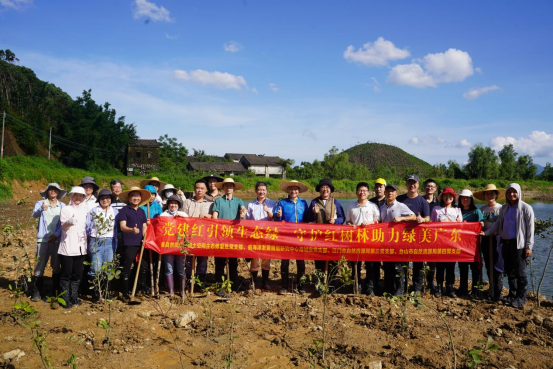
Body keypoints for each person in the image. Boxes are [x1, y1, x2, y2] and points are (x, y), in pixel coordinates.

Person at [481, 183, 534, 309]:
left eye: (514, 192)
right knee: (510, 271)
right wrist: (487, 233)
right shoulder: (504, 208)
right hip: (505, 243)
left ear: (519, 192)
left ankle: (521, 298)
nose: (511, 194)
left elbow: (531, 229)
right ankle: (512, 294)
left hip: (519, 244)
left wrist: (529, 246)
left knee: (520, 272)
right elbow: (498, 223)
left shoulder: (526, 208)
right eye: (509, 192)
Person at [306, 178, 345, 295]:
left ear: (330, 190)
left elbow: (342, 218)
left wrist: (336, 221)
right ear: (319, 189)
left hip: (332, 237)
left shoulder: (335, 202)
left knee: (333, 261)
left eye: (327, 187)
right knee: (319, 262)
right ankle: (319, 285)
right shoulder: (314, 202)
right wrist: (313, 212)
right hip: (319, 237)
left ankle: (331, 285)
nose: (325, 189)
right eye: (323, 187)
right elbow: (307, 218)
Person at [31, 183, 67, 302]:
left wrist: (56, 235)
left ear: (58, 193)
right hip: (43, 239)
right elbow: (34, 215)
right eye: (50, 190)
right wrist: (41, 208)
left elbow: (64, 223)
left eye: (55, 190)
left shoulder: (62, 206)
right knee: (39, 265)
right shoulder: (40, 203)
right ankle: (36, 292)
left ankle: (55, 291)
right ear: (47, 192)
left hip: (56, 240)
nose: (52, 191)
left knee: (56, 265)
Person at [212, 178, 247, 294]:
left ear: (233, 188)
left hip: (234, 236)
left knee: (233, 262)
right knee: (220, 262)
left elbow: (243, 209)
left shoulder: (238, 200)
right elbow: (215, 215)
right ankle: (219, 286)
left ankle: (233, 284)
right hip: (221, 235)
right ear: (223, 188)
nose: (228, 188)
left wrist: (243, 213)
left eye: (231, 186)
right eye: (226, 186)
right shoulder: (218, 201)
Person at [396, 174, 430, 295]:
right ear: (406, 184)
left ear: (418, 185)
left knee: (418, 264)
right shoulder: (399, 199)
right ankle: (401, 288)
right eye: (409, 182)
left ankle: (417, 289)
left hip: (417, 239)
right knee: (401, 264)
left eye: (414, 183)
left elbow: (428, 218)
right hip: (402, 238)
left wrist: (423, 220)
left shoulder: (423, 201)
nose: (412, 185)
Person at [274, 180, 310, 294]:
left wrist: (314, 213)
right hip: (286, 236)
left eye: (295, 189)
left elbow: (307, 218)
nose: (293, 191)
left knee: (301, 262)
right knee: (285, 261)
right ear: (287, 190)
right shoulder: (282, 203)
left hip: (300, 236)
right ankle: (284, 286)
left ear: (298, 191)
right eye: (291, 189)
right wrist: (278, 216)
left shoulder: (303, 203)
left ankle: (300, 286)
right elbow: (276, 219)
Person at [380, 184, 416, 296]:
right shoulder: (381, 207)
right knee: (387, 267)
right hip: (386, 242)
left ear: (396, 194)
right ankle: (388, 289)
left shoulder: (401, 206)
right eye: (388, 191)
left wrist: (401, 218)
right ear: (384, 193)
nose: (390, 193)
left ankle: (400, 291)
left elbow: (413, 216)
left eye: (392, 191)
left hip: (399, 242)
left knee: (399, 267)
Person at [345, 182, 380, 295]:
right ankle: (357, 285)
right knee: (356, 264)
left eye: (364, 190)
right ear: (356, 192)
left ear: (368, 193)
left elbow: (378, 221)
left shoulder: (373, 206)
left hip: (369, 240)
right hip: (355, 240)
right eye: (360, 190)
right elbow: (348, 221)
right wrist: (351, 224)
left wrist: (369, 223)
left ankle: (370, 288)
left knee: (370, 265)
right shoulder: (351, 206)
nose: (362, 193)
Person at [58, 186, 89, 309]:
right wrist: (70, 221)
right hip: (68, 245)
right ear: (71, 196)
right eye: (75, 195)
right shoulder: (66, 209)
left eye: (80, 195)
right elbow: (64, 227)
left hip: (81, 246)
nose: (77, 197)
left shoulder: (85, 211)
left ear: (83, 198)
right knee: (66, 273)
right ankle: (64, 298)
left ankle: (74, 297)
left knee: (77, 274)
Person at [117, 186, 150, 301]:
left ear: (140, 198)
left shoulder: (141, 211)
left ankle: (138, 289)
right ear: (129, 197)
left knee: (143, 266)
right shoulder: (124, 210)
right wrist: (131, 230)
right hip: (129, 243)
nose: (136, 198)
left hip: (141, 242)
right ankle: (125, 292)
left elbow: (144, 226)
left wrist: (144, 236)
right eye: (133, 196)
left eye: (138, 196)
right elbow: (122, 226)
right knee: (126, 267)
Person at [473, 184, 505, 301]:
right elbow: (478, 225)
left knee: (498, 265)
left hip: (497, 239)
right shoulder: (482, 209)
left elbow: (500, 225)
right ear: (484, 196)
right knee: (488, 264)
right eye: (487, 193)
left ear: (496, 195)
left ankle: (498, 292)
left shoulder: (501, 208)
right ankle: (492, 288)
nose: (490, 195)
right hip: (485, 239)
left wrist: (491, 233)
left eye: (492, 193)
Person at [85, 189, 118, 302]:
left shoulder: (115, 212)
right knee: (96, 267)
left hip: (110, 241)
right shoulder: (93, 211)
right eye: (102, 198)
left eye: (107, 198)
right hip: (96, 240)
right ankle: (96, 293)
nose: (105, 200)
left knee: (108, 267)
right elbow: (87, 228)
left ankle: (106, 292)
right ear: (99, 200)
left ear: (111, 199)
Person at [431, 187, 462, 298]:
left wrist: (460, 222)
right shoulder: (436, 209)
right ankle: (439, 288)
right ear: (442, 197)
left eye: (450, 196)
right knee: (440, 267)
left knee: (451, 267)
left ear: (453, 198)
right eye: (445, 195)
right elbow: (432, 225)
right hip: (439, 243)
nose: (448, 198)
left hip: (452, 243)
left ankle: (449, 288)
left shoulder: (457, 210)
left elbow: (461, 228)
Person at [181, 179, 213, 287]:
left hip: (203, 236)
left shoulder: (210, 203)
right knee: (188, 260)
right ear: (194, 189)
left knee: (203, 260)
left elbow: (215, 218)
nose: (199, 190)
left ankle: (200, 283)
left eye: (202, 188)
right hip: (189, 236)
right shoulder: (187, 202)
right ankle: (188, 282)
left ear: (206, 190)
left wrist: (207, 216)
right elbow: (183, 217)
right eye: (197, 188)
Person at [246, 182, 277, 290]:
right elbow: (248, 221)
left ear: (266, 191)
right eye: (259, 190)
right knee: (254, 260)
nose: (261, 192)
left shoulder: (272, 203)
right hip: (254, 236)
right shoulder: (251, 205)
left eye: (263, 190)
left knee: (266, 259)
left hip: (267, 236)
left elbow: (274, 219)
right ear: (256, 191)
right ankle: (253, 282)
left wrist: (268, 211)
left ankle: (265, 282)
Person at [160, 195, 189, 297]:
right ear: (168, 204)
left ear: (179, 205)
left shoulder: (183, 214)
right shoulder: (163, 215)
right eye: (171, 203)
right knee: (169, 268)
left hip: (180, 245)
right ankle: (171, 291)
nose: (173, 205)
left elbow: (189, 226)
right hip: (168, 245)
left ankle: (183, 290)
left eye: (175, 203)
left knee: (181, 268)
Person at [458, 189, 484, 297]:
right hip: (461, 244)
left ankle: (475, 290)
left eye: (467, 198)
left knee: (475, 268)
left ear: (471, 199)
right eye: (463, 198)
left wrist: (481, 224)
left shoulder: (476, 211)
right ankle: (463, 289)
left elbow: (482, 223)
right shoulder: (457, 211)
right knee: (462, 267)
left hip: (474, 245)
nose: (465, 200)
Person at [422, 178, 440, 293]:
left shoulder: (439, 203)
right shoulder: (420, 200)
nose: (430, 188)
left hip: (435, 236)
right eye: (428, 186)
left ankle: (430, 282)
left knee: (432, 261)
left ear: (435, 189)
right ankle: (420, 283)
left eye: (432, 186)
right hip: (420, 235)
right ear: (424, 188)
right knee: (419, 259)